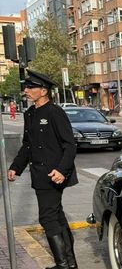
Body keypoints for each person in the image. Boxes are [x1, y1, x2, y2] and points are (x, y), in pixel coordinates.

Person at [7, 70, 78, 269]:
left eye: (31, 87)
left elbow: (70, 145)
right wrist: (16, 167)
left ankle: (63, 264)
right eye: (26, 87)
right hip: (39, 174)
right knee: (57, 217)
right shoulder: (30, 114)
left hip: (55, 174)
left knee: (47, 217)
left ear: (44, 91)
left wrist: (61, 171)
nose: (26, 90)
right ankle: (69, 264)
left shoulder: (55, 112)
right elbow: (28, 145)